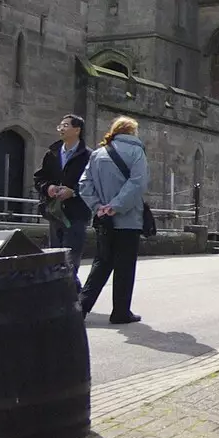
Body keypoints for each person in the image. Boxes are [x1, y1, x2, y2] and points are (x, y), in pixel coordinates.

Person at [78, 116, 149, 324]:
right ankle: (120, 311)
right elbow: (137, 184)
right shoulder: (137, 153)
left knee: (101, 263)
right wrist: (115, 206)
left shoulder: (98, 154)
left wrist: (99, 207)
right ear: (132, 132)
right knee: (125, 267)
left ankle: (80, 308)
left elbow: (84, 184)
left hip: (103, 220)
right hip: (128, 220)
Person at [33, 114, 91, 280]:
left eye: (65, 125)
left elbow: (92, 184)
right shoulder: (52, 154)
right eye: (60, 125)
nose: (61, 128)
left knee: (71, 257)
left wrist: (73, 192)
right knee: (55, 256)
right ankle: (60, 293)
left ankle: (71, 294)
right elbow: (39, 178)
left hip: (77, 213)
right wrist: (48, 188)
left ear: (77, 130)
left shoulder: (88, 156)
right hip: (55, 212)